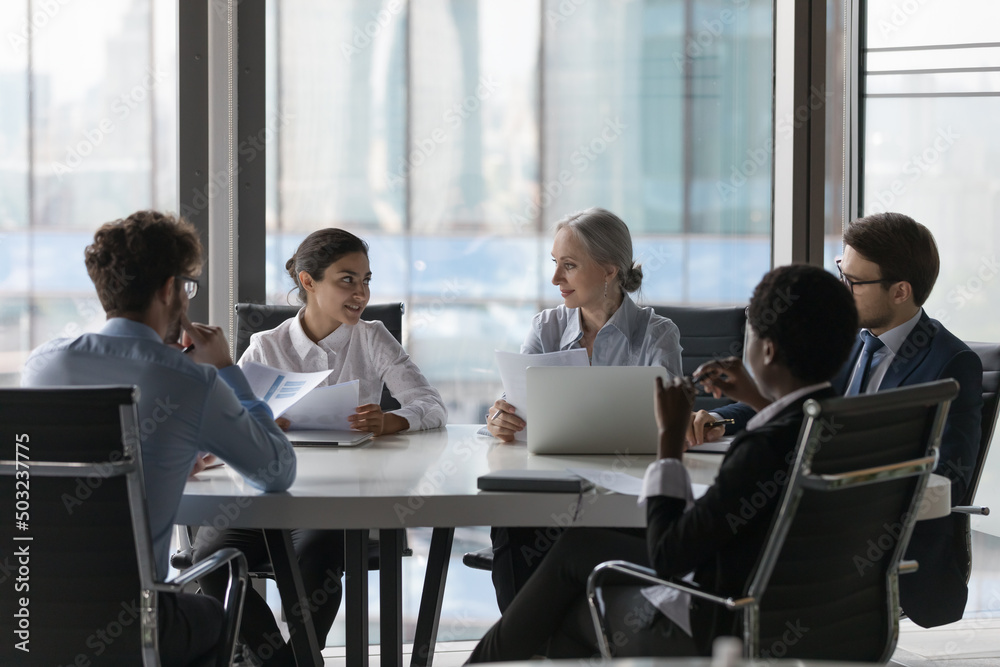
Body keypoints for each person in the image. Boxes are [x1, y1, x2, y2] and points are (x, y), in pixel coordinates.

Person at [467, 263, 859, 662]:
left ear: (768, 351)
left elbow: (670, 554)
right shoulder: (846, 428)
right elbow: (791, 437)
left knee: (556, 613)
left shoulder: (758, 450)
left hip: (715, 622)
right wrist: (759, 400)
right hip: (823, 618)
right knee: (577, 550)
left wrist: (669, 439)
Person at [21, 210, 296, 667]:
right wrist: (227, 370)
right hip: (133, 623)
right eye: (187, 287)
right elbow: (277, 470)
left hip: (24, 620)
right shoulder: (190, 382)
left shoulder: (42, 365)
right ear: (170, 288)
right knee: (212, 614)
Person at [690, 212, 983, 628]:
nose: (841, 290)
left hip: (875, 539)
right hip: (804, 517)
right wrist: (721, 421)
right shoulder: (841, 338)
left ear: (900, 291)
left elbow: (947, 475)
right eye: (841, 273)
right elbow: (782, 397)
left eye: (854, 282)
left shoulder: (951, 363)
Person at [193, 227, 446, 664]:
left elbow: (432, 405)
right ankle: (286, 663)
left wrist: (392, 420)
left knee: (318, 564)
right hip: (262, 492)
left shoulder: (372, 338)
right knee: (210, 560)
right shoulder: (265, 347)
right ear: (308, 282)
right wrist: (260, 420)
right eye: (347, 279)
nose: (361, 293)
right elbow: (224, 422)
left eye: (366, 280)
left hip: (333, 495)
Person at [485, 207, 683, 611]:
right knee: (510, 523)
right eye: (555, 264)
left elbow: (666, 425)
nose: (556, 278)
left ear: (609, 270)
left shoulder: (657, 335)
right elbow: (517, 410)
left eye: (569, 266)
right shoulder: (546, 328)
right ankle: (529, 649)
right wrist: (498, 418)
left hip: (624, 493)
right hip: (550, 484)